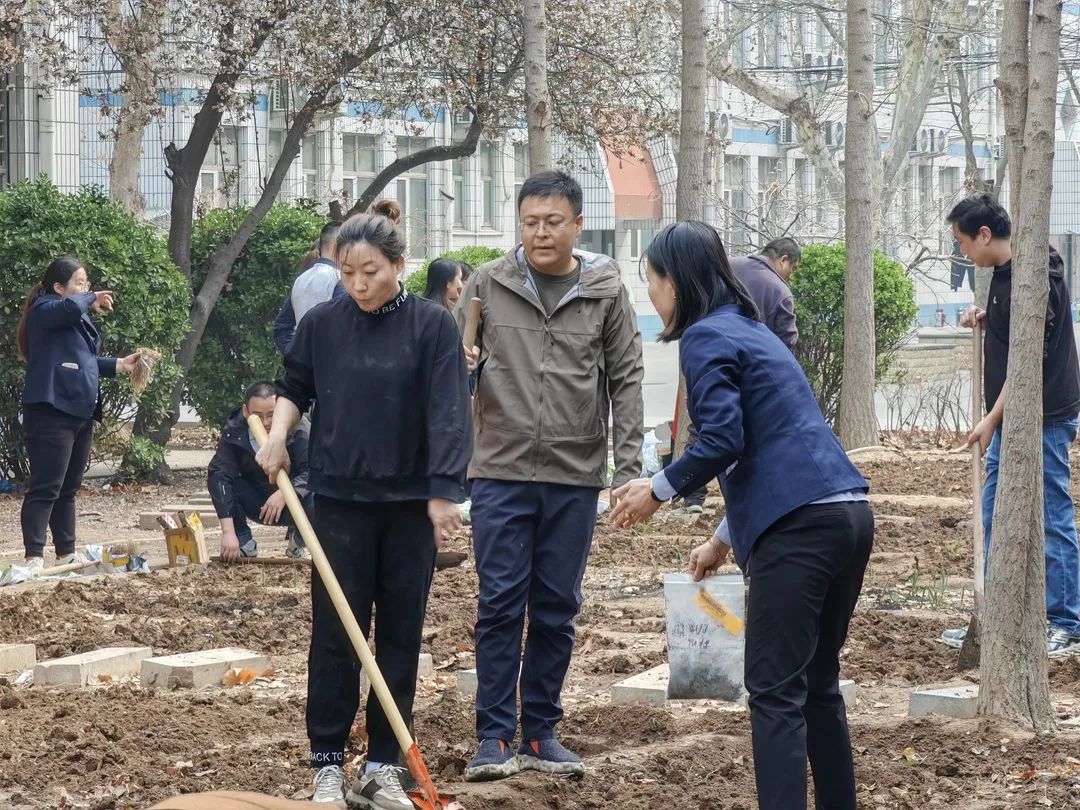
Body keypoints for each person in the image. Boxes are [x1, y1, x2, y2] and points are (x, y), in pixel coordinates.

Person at [610, 221, 872, 810]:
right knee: (817, 687)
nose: (649, 295)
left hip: (799, 529)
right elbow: (778, 441)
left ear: (673, 283)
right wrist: (723, 540)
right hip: (847, 514)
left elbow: (724, 438)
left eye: (650, 282)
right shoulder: (754, 331)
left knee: (775, 693)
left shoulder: (704, 338)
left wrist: (659, 487)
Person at [257, 199, 471, 808]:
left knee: (399, 635)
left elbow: (448, 412)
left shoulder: (432, 326)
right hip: (340, 501)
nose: (358, 284)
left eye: (371, 271)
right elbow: (295, 387)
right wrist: (277, 436)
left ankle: (381, 766)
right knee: (335, 635)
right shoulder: (323, 323)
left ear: (399, 265)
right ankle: (327, 763)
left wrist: (442, 493)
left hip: (407, 506)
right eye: (348, 273)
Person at [457, 170, 644, 782]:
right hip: (500, 472)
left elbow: (626, 377)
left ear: (577, 225)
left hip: (573, 473)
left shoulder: (605, 289)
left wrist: (629, 466)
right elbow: (455, 374)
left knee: (558, 607)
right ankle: (493, 736)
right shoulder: (488, 283)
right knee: (501, 603)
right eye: (530, 222)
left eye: (553, 221)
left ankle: (539, 732)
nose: (540, 232)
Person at [943, 193, 1080, 657]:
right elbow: (1012, 331)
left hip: (1045, 414)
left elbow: (1027, 365)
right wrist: (986, 318)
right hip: (1013, 414)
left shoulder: (1036, 276)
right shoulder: (1003, 276)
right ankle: (995, 612)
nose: (963, 252)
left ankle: (1064, 621)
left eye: (963, 242)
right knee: (994, 505)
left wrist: (988, 421)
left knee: (1050, 509)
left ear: (984, 234)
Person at [17, 257, 142, 569]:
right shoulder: (44, 310)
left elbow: (85, 360)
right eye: (80, 283)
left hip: (80, 410)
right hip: (51, 410)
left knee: (68, 489)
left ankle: (66, 552)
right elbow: (72, 308)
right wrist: (91, 297)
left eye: (87, 283)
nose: (87, 289)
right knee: (46, 486)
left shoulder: (71, 314)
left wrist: (120, 365)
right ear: (58, 287)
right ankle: (34, 556)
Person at [679, 235, 802, 513]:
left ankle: (692, 497)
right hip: (753, 377)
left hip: (708, 359)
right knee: (749, 437)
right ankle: (747, 501)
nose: (789, 276)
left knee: (703, 427)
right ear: (783, 260)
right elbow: (786, 344)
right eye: (792, 269)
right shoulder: (779, 291)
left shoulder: (726, 267)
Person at [207, 381, 312, 561]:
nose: (265, 423)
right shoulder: (235, 431)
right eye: (258, 416)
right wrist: (227, 532)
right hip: (256, 502)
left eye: (271, 415)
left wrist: (285, 494)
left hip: (293, 506)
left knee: (320, 496)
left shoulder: (300, 429)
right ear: (246, 411)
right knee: (223, 478)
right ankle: (243, 541)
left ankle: (299, 542)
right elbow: (219, 474)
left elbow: (312, 471)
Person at [274, 224, 348, 355]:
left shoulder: (301, 280)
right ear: (336, 243)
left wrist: (295, 356)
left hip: (306, 369)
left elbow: (282, 327)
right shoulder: (339, 279)